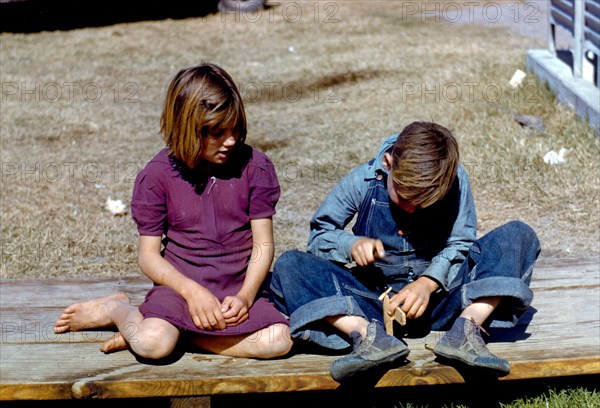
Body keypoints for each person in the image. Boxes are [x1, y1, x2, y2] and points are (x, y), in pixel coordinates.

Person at [54, 63, 292, 360]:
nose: (230, 140)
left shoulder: (255, 167)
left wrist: (245, 296)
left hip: (238, 289)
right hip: (180, 290)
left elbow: (263, 244)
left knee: (278, 341)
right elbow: (149, 256)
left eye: (235, 129)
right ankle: (117, 308)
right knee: (153, 343)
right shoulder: (157, 176)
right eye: (217, 132)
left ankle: (183, 336)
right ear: (187, 128)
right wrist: (192, 292)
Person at [270, 121, 541, 382]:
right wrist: (349, 245)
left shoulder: (455, 180)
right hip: (372, 305)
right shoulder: (362, 181)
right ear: (388, 164)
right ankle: (368, 338)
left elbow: (460, 244)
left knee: (517, 235)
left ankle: (465, 331)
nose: (410, 210)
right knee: (290, 265)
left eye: (424, 203)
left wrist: (428, 283)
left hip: (442, 302)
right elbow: (318, 236)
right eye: (402, 196)